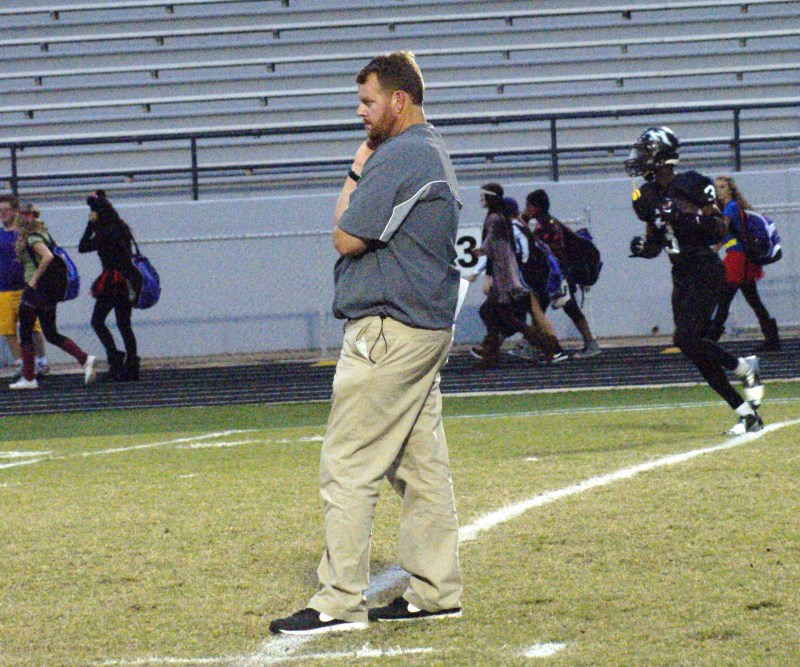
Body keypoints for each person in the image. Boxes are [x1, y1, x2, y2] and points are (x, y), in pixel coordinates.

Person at [269, 51, 463, 635]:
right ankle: (435, 592)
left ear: (399, 100)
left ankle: (338, 601)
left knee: (348, 466)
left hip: (388, 330)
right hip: (422, 327)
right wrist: (361, 168)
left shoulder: (403, 154)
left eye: (368, 101)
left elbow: (346, 236)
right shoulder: (428, 148)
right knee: (421, 469)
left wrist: (358, 170)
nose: (360, 112)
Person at [625, 126, 764, 435]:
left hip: (705, 268)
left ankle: (744, 367)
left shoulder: (691, 183)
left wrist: (684, 217)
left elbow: (719, 228)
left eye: (645, 151)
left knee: (687, 339)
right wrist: (643, 248)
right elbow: (656, 243)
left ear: (661, 154)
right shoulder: (647, 195)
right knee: (691, 346)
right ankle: (746, 413)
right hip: (681, 274)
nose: (640, 158)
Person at [469, 186, 563, 368]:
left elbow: (494, 249)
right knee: (493, 314)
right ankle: (490, 354)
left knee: (505, 318)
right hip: (509, 277)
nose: (481, 199)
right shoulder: (506, 222)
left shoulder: (496, 221)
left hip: (505, 280)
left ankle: (548, 346)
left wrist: (480, 265)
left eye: (483, 196)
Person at [9, 203, 95, 389]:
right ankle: (84, 358)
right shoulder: (43, 233)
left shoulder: (32, 237)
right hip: (48, 291)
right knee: (51, 333)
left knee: (25, 332)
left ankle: (29, 378)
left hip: (36, 290)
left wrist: (33, 281)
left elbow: (47, 257)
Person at [705, 176, 780, 351]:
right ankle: (772, 339)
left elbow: (722, 228)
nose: (718, 191)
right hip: (740, 259)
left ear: (730, 190)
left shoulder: (730, 208)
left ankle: (710, 340)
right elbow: (726, 235)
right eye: (717, 187)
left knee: (724, 300)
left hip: (738, 260)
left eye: (722, 187)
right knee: (751, 301)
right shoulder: (728, 208)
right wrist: (714, 249)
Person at [525, 189, 602, 359]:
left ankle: (590, 343)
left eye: (529, 205)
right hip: (556, 276)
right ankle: (530, 345)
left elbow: (553, 252)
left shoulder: (547, 226)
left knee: (560, 308)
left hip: (559, 277)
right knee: (543, 309)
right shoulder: (548, 223)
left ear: (537, 207)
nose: (526, 209)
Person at [78, 190, 143, 381]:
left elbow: (82, 247)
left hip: (113, 281)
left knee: (98, 321)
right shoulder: (121, 226)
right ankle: (131, 365)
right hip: (128, 278)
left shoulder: (103, 233)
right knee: (124, 324)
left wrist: (90, 225)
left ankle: (116, 359)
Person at [0, 195, 49, 379]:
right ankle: (21, 363)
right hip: (3, 289)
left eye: (6, 209)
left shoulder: (24, 233)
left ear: (14, 211)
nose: (2, 213)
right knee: (8, 330)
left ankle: (41, 361)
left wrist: (34, 281)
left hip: (24, 288)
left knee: (33, 328)